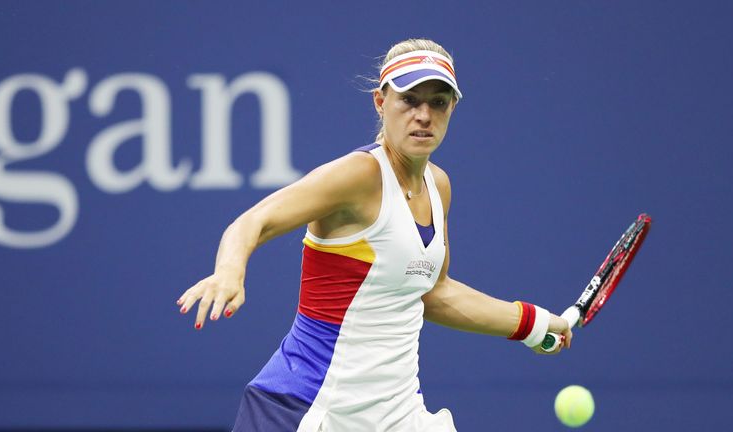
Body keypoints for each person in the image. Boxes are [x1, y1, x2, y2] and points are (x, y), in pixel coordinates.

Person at [177, 38, 573, 432]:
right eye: (409, 100)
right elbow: (253, 221)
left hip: (398, 414)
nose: (423, 115)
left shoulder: (439, 185)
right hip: (309, 407)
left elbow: (433, 292)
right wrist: (229, 271)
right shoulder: (359, 176)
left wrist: (531, 323)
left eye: (438, 102)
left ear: (453, 107)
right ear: (381, 103)